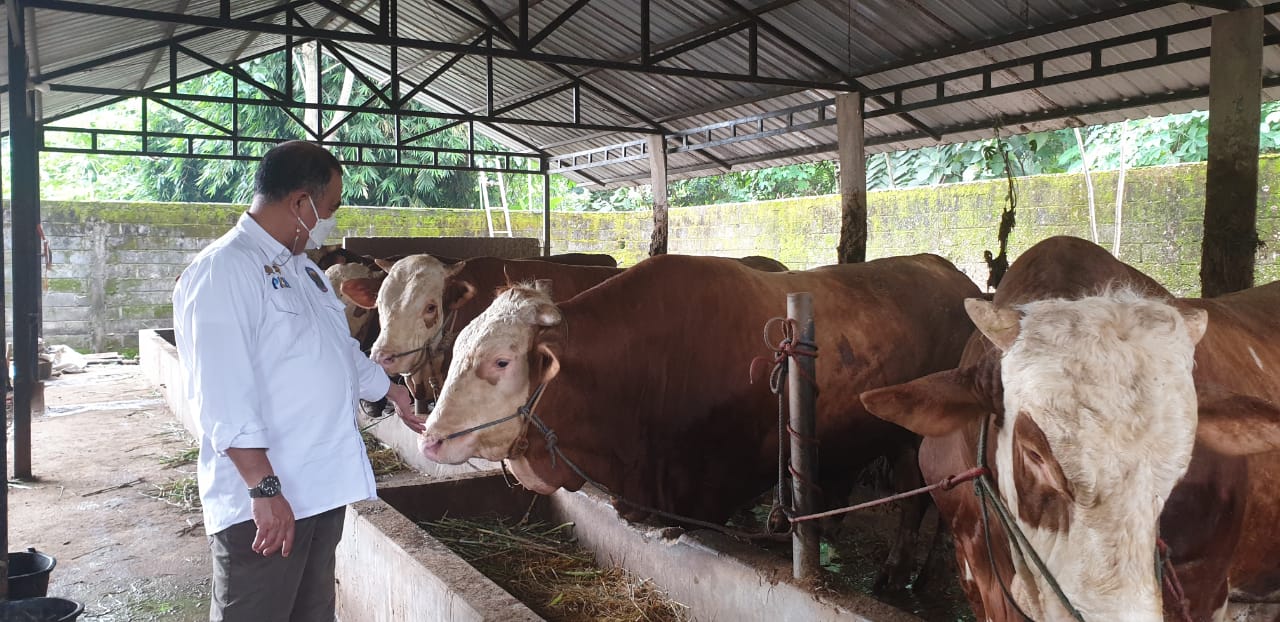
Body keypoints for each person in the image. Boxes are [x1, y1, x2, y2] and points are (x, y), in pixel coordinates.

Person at [172, 141, 423, 622]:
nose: (330, 222)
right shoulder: (223, 271)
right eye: (329, 209)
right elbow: (222, 395)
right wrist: (263, 488)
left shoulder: (303, 269)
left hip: (320, 488)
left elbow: (337, 351)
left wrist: (388, 390)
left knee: (311, 613)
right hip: (266, 501)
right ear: (301, 204)